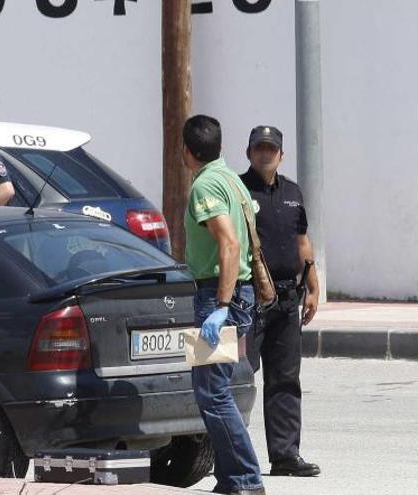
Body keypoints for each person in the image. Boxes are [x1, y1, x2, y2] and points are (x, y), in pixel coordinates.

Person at [182, 114, 264, 495]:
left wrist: (220, 305)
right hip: (232, 292)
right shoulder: (231, 178)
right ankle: (234, 477)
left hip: (218, 294)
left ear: (186, 150)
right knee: (218, 391)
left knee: (212, 393)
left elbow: (229, 243)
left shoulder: (206, 185)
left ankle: (244, 478)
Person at [240, 126, 321, 477]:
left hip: (289, 299)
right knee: (238, 377)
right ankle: (228, 455)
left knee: (285, 380)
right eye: (259, 148)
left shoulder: (292, 192)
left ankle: (285, 455)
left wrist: (314, 286)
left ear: (281, 155)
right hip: (251, 300)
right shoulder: (239, 190)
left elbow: (302, 240)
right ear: (249, 153)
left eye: (271, 148)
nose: (265, 154)